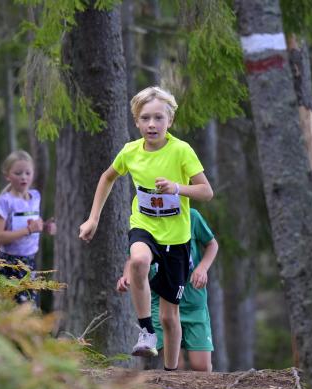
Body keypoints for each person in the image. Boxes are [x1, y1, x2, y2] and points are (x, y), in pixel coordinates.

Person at [78, 86, 213, 371]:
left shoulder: (181, 151)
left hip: (177, 239)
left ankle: (170, 372)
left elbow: (206, 192)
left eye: (158, 118)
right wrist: (93, 219)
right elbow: (107, 178)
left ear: (170, 121)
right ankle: (145, 331)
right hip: (144, 226)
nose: (152, 124)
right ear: (136, 122)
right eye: (145, 118)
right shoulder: (130, 152)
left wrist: (178, 188)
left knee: (169, 316)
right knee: (138, 259)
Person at [116, 208, 218, 371]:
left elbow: (212, 244)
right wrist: (127, 276)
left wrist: (202, 268)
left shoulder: (191, 216)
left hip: (194, 303)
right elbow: (133, 258)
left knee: (201, 366)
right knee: (176, 363)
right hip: (161, 304)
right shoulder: (147, 220)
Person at [0, 150, 56, 304]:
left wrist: (45, 227)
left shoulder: (36, 197)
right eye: (18, 173)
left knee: (30, 311)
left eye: (28, 172)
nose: (23, 177)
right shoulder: (4, 201)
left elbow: (32, 223)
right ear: (7, 175)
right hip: (9, 263)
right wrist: (28, 230)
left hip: (30, 261)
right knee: (14, 312)